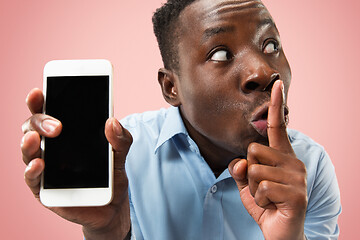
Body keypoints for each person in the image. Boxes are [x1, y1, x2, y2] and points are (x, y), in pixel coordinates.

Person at [21, 0, 341, 239]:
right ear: (171, 87)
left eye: (271, 45)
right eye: (220, 54)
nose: (263, 71)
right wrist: (107, 232)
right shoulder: (119, 154)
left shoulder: (311, 167)